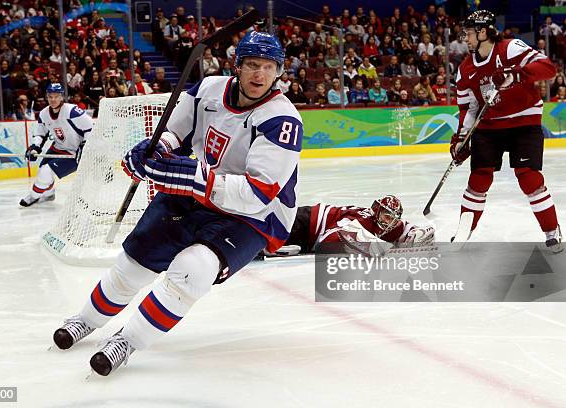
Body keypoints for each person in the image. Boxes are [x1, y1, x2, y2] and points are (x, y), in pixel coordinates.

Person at [52, 31, 303, 376]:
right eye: (252, 65)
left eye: (268, 67)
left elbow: (257, 192)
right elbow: (174, 131)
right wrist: (156, 150)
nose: (259, 75)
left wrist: (185, 174)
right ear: (237, 66)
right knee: (133, 264)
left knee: (194, 268)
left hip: (253, 215)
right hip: (198, 191)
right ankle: (86, 319)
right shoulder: (208, 90)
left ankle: (128, 341)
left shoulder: (281, 119)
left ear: (279, 72)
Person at [450, 10, 561, 252]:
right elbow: (469, 107)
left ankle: (552, 230)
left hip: (524, 122)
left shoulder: (510, 48)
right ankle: (462, 234)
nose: (465, 38)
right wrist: (461, 139)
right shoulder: (465, 69)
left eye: (469, 33)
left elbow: (548, 68)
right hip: (489, 127)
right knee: (478, 179)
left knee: (528, 177)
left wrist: (517, 74)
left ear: (482, 32)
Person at [272, 196, 435, 256]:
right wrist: (371, 244)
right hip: (303, 222)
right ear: (376, 211)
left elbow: (407, 230)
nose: (389, 222)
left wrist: (417, 234)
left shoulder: (389, 223)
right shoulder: (363, 220)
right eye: (386, 216)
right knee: (263, 233)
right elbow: (327, 239)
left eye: (393, 218)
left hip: (308, 235)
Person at [19, 83, 93, 207]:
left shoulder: (72, 111)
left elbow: (91, 129)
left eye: (56, 96)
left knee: (45, 172)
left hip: (75, 152)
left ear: (62, 97)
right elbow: (40, 133)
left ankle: (33, 196)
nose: (53, 99)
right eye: (50, 96)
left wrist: (84, 147)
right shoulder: (44, 113)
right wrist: (34, 147)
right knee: (42, 170)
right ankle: (48, 194)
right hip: (58, 147)